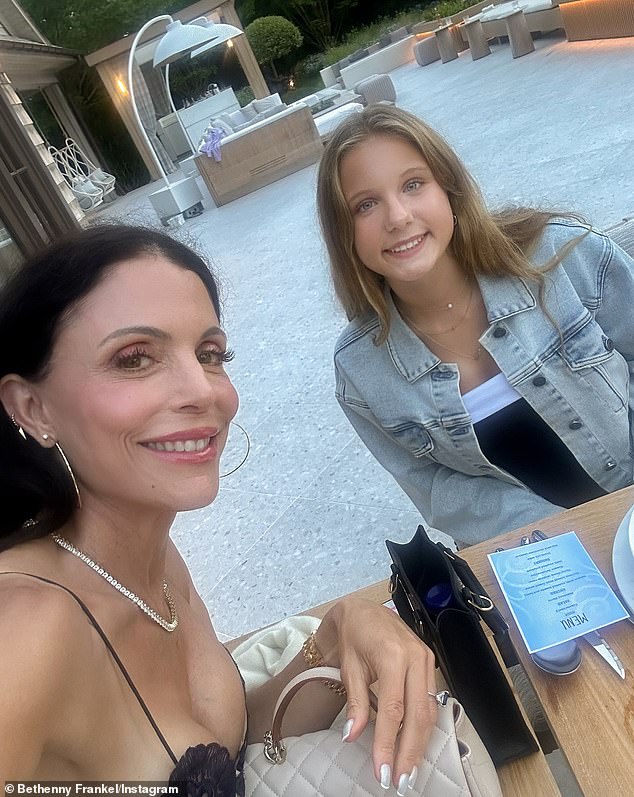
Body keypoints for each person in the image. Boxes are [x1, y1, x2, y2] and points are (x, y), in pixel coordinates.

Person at [0, 225, 436, 794]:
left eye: (210, 354)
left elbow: (223, 746)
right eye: (135, 358)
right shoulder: (28, 630)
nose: (203, 391)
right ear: (32, 408)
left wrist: (336, 634)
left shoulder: (149, 559)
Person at [317, 105, 634, 547]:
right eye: (365, 204)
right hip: (537, 558)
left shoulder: (560, 254)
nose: (397, 217)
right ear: (342, 232)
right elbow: (438, 490)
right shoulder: (360, 370)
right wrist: (575, 538)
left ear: (448, 188)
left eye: (413, 184)